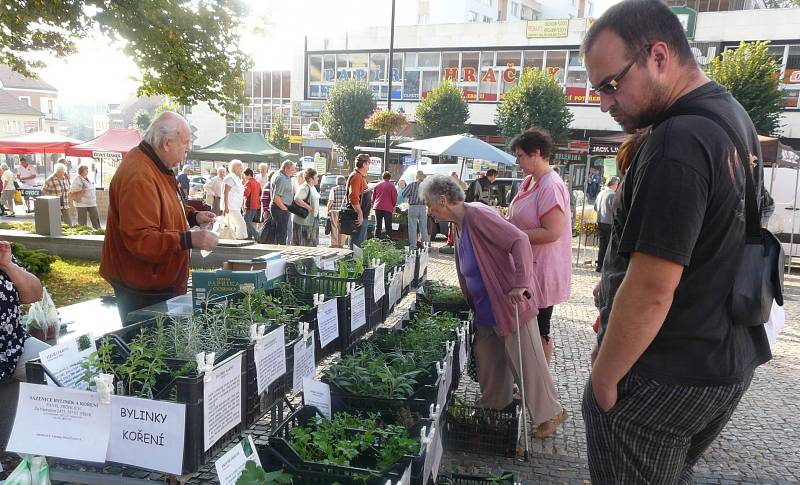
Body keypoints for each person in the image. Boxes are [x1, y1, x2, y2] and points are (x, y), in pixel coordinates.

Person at [581, 2, 772, 482]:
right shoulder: (731, 115)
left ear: (659, 56)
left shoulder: (677, 140)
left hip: (666, 371)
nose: (605, 103)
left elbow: (652, 287)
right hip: (723, 358)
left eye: (611, 84)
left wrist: (604, 379)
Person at [420, 174, 568, 438]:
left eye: (430, 205)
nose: (430, 211)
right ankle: (494, 404)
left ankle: (550, 413)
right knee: (489, 358)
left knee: (527, 361)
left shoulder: (477, 215)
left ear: (443, 200)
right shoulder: (459, 223)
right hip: (486, 307)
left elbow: (519, 240)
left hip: (508, 302)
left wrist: (521, 283)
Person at [100, 111, 218, 323]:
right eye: (185, 142)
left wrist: (193, 217)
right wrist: (189, 239)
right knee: (149, 348)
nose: (188, 148)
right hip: (141, 288)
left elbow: (166, 209)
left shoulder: (157, 165)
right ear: (166, 143)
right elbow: (141, 240)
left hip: (154, 282)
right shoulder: (139, 175)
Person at [508, 128, 573, 365]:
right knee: (526, 327)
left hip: (542, 269)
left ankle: (539, 383)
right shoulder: (529, 181)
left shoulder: (551, 185)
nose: (517, 161)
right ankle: (527, 378)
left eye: (520, 155)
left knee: (539, 328)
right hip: (527, 266)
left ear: (536, 153)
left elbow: (552, 232)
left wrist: (514, 235)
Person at [0, 240, 48, 448]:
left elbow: (34, 294)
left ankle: (70, 437)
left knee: (61, 369)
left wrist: (8, 265)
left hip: (15, 345)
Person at [593, 176, 620, 272]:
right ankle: (606, 267)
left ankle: (599, 265)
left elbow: (595, 207)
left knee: (602, 245)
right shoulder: (613, 195)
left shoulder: (601, 193)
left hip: (600, 221)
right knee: (609, 246)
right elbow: (616, 210)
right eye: (617, 184)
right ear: (614, 184)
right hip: (609, 222)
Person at [346, 154, 371, 248]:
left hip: (362, 216)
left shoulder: (360, 176)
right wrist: (360, 214)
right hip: (358, 216)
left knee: (359, 243)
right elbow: (353, 197)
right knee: (357, 244)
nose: (369, 166)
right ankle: (355, 262)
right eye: (368, 163)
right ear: (364, 164)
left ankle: (356, 261)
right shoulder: (357, 176)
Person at [292, 168, 320, 247]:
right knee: (303, 243)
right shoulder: (304, 187)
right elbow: (297, 198)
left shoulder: (312, 187)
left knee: (311, 243)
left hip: (312, 219)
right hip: (304, 221)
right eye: (316, 177)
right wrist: (308, 207)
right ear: (311, 179)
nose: (318, 178)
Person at [270, 160, 296, 245]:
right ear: (286, 168)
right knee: (281, 232)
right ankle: (281, 251)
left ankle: (278, 250)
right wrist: (284, 208)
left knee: (279, 231)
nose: (294, 171)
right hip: (280, 208)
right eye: (292, 169)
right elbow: (276, 197)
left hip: (280, 207)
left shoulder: (281, 175)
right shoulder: (281, 178)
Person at [69, 164, 101, 229]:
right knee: (82, 220)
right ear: (81, 171)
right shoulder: (77, 179)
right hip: (81, 203)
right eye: (86, 170)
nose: (87, 171)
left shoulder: (88, 178)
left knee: (95, 216)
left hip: (91, 202)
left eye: (87, 170)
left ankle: (98, 230)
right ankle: (82, 232)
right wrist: (81, 189)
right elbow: (72, 190)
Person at [403, 170, 429, 248]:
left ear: (416, 176)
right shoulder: (426, 186)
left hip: (413, 207)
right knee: (423, 227)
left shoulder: (412, 184)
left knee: (412, 227)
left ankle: (413, 246)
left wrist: (411, 196)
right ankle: (425, 245)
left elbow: (404, 194)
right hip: (423, 207)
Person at [223, 159, 248, 240]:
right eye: (240, 168)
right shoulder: (230, 178)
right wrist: (226, 206)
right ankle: (241, 240)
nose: (242, 170)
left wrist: (242, 207)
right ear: (235, 168)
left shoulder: (236, 178)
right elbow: (225, 193)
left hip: (235, 206)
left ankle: (236, 240)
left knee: (235, 225)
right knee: (241, 224)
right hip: (231, 206)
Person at [372, 171, 397, 238]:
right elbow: (394, 198)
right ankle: (389, 241)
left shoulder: (377, 185)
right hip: (387, 208)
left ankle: (376, 241)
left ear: (382, 177)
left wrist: (374, 203)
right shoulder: (392, 186)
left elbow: (373, 197)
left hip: (378, 207)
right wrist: (393, 205)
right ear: (390, 178)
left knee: (378, 225)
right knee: (388, 225)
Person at [327, 175, 348, 248]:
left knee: (334, 226)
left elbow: (331, 201)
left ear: (337, 182)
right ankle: (341, 243)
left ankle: (334, 243)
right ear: (344, 182)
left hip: (335, 210)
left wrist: (328, 209)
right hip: (344, 211)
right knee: (343, 227)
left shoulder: (334, 189)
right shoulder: (347, 189)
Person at [243, 168, 262, 240]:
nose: (244, 177)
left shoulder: (248, 182)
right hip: (256, 204)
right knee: (249, 221)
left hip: (249, 204)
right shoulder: (257, 183)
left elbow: (246, 193)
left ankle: (257, 235)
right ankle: (249, 236)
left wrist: (242, 190)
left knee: (246, 221)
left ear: (248, 175)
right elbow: (260, 192)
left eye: (245, 175)